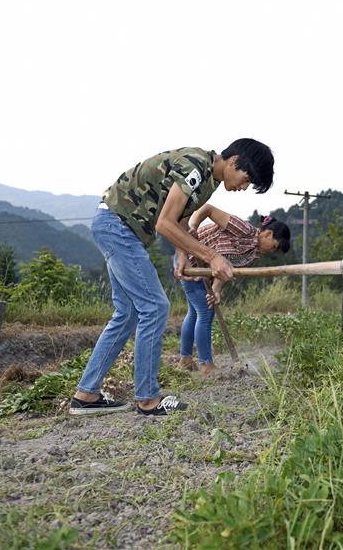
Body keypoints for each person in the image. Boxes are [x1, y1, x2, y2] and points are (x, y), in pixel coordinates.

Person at [69, 139, 275, 417]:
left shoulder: (209, 179)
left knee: (127, 313)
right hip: (118, 226)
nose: (244, 187)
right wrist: (212, 256)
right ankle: (148, 399)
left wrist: (182, 253)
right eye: (246, 179)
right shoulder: (196, 167)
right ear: (234, 161)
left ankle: (86, 395)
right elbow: (164, 223)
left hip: (117, 226)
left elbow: (178, 219)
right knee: (155, 307)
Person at [173, 204, 291, 373]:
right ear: (268, 234)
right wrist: (192, 228)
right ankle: (206, 364)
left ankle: (185, 360)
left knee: (195, 312)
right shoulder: (244, 229)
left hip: (205, 273)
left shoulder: (253, 256)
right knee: (205, 312)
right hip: (188, 261)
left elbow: (226, 270)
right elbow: (208, 209)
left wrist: (216, 289)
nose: (272, 251)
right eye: (274, 246)